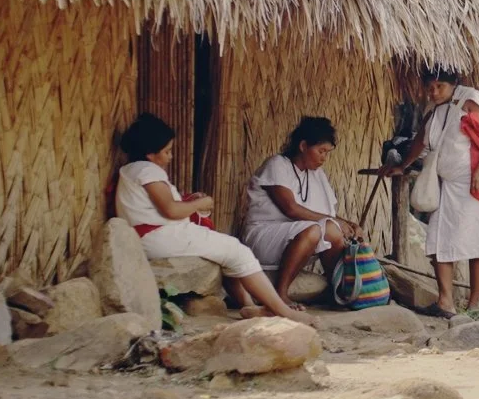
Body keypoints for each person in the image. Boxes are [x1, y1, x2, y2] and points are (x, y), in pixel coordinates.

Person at [113, 113, 305, 322]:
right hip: (160, 237)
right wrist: (199, 204)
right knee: (238, 252)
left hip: (150, 237)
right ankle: (282, 310)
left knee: (229, 251)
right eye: (167, 151)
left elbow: (157, 205)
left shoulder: (131, 170)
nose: (170, 157)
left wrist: (188, 200)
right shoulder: (149, 170)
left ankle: (250, 306)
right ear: (150, 154)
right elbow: (170, 210)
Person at [388, 68, 479, 317]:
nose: (434, 92)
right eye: (430, 87)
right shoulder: (434, 109)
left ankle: (474, 305)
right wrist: (402, 165)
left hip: (476, 182)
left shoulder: (469, 99)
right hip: (447, 185)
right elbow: (421, 140)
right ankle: (445, 302)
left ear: (454, 84)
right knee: (439, 240)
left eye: (440, 86)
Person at [242, 116, 356, 296]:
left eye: (327, 152)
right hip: (264, 236)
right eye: (321, 151)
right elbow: (291, 209)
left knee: (331, 231)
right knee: (316, 230)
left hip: (298, 238)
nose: (324, 158)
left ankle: (337, 291)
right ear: (303, 146)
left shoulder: (316, 174)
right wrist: (334, 221)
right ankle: (280, 294)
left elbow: (326, 215)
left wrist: (349, 224)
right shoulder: (277, 165)